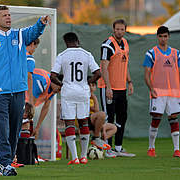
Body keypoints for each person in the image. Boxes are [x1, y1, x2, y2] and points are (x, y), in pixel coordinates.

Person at [0, 6, 49, 176]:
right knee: (3, 130)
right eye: (4, 15)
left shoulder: (20, 35)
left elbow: (34, 32)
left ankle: (8, 161)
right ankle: (4, 164)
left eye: (9, 15)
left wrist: (41, 23)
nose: (8, 18)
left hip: (19, 92)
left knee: (15, 130)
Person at [51, 32, 106, 165]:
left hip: (68, 92)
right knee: (83, 122)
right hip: (83, 92)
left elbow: (52, 75)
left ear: (66, 42)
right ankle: (83, 157)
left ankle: (74, 158)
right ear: (78, 41)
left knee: (69, 123)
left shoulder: (62, 55)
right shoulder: (86, 54)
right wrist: (88, 83)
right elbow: (98, 73)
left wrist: (62, 84)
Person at [143, 26, 180, 158]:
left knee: (174, 119)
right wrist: (151, 89)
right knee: (156, 119)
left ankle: (177, 149)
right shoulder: (151, 53)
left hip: (174, 93)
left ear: (168, 37)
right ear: (157, 37)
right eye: (160, 36)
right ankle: (151, 148)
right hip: (158, 92)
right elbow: (146, 74)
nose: (163, 39)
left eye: (165, 36)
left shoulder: (176, 53)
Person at [97, 19, 134, 157]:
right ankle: (107, 148)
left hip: (121, 88)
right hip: (108, 88)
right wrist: (108, 87)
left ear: (125, 30)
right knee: (109, 118)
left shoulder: (125, 43)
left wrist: (129, 82)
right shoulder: (108, 45)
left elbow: (125, 65)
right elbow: (104, 67)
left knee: (122, 117)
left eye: (122, 29)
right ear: (113, 29)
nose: (119, 31)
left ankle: (118, 147)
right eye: (117, 29)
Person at [88, 80, 117, 158]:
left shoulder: (93, 97)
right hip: (86, 120)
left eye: (93, 85)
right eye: (89, 85)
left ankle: (98, 143)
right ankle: (96, 138)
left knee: (113, 128)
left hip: (96, 122)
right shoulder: (84, 96)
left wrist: (94, 97)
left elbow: (96, 110)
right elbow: (94, 111)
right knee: (102, 114)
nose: (91, 87)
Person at [25, 38, 40, 107]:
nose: (34, 51)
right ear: (32, 44)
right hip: (21, 93)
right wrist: (31, 99)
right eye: (35, 47)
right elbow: (29, 77)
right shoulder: (29, 58)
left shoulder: (16, 55)